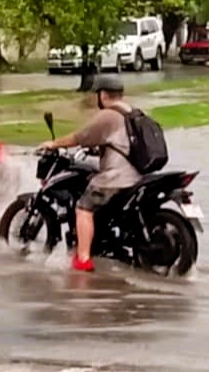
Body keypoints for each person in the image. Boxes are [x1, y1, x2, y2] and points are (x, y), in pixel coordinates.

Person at [39, 75, 140, 272]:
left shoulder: (108, 115)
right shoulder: (132, 112)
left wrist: (54, 143)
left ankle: (83, 259)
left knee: (84, 208)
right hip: (137, 175)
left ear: (102, 95)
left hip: (117, 176)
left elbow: (81, 136)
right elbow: (119, 142)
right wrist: (96, 150)